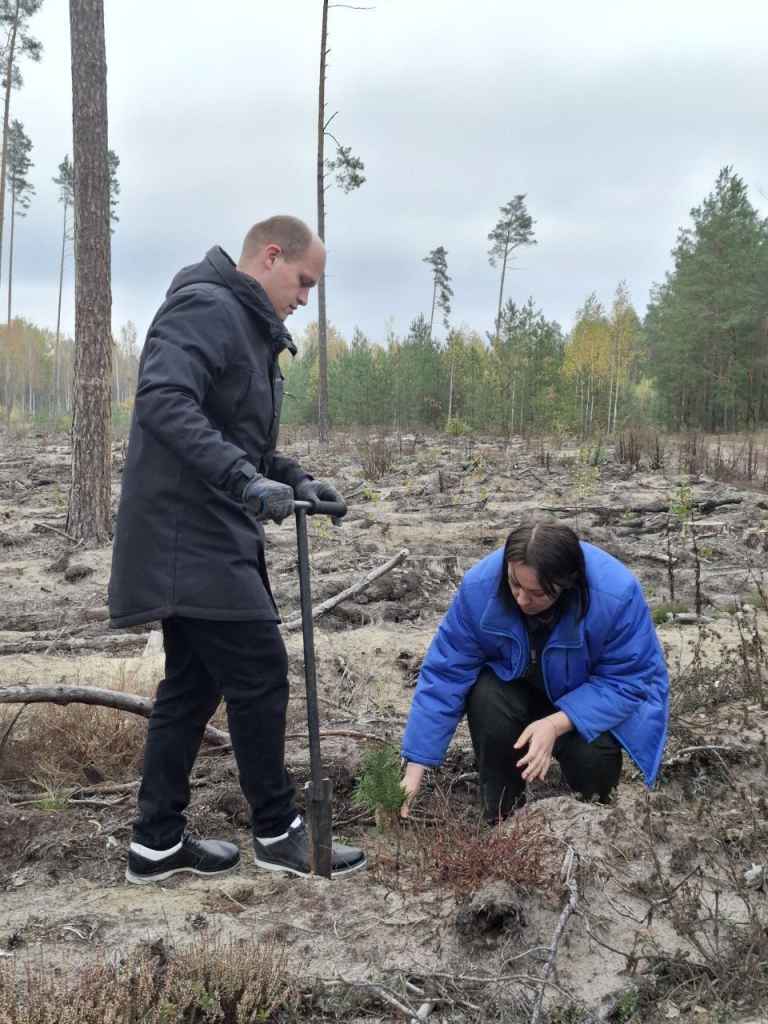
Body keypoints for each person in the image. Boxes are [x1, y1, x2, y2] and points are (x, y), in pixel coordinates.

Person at [109, 215, 366, 883]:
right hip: (186, 536)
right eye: (304, 281)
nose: (306, 298)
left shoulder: (246, 330)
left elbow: (240, 443)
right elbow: (164, 402)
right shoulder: (206, 307)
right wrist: (244, 481)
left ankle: (156, 842)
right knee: (258, 672)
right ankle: (279, 831)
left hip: (206, 533)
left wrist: (296, 480)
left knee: (192, 686)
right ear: (270, 257)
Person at [400, 521, 669, 821]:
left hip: (588, 699)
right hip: (518, 688)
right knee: (486, 696)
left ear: (567, 585)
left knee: (592, 759)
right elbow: (445, 674)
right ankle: (501, 820)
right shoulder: (480, 588)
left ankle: (594, 821)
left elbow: (629, 681)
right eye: (515, 584)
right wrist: (414, 773)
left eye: (537, 593)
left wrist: (555, 724)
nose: (521, 600)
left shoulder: (616, 595)